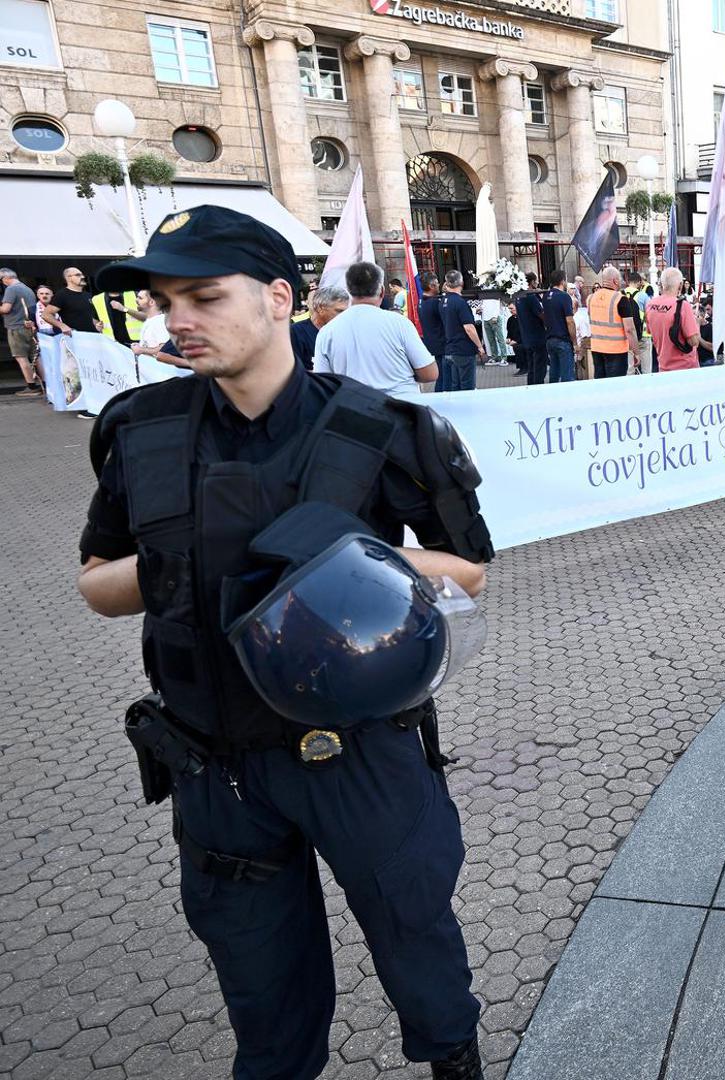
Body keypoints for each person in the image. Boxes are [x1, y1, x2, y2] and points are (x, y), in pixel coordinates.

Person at [78, 204, 493, 1080]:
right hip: (215, 764)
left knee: (418, 945)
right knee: (264, 998)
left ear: (278, 296)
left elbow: (470, 569)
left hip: (360, 755)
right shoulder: (140, 431)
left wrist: (353, 564)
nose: (177, 320)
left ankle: (454, 1059)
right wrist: (178, 564)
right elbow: (94, 583)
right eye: (163, 302)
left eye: (202, 296)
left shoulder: (385, 428)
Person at [313, 261, 438, 400]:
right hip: (402, 408)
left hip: (353, 410)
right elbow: (430, 373)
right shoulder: (400, 323)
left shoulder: (327, 332)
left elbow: (323, 385)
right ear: (382, 291)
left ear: (348, 291)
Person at [644, 268, 704, 372]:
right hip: (685, 367)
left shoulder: (651, 305)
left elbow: (650, 331)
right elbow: (694, 342)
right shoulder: (682, 306)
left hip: (663, 365)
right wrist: (696, 323)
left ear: (662, 284)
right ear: (680, 285)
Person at [437, 270, 487, 391]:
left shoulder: (443, 301)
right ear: (461, 283)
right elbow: (469, 328)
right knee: (467, 387)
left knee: (455, 386)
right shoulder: (460, 303)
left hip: (449, 349)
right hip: (463, 349)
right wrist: (480, 347)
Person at [586, 267, 640, 378]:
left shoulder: (591, 298)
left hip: (597, 349)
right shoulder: (621, 299)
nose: (621, 282)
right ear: (615, 281)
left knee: (600, 382)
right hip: (616, 351)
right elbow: (629, 329)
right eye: (619, 279)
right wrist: (636, 352)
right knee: (615, 386)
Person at [1, 267, 42, 396]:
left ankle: (31, 387)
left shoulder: (11, 289)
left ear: (7, 278)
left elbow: (6, 309)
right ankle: (44, 385)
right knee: (36, 357)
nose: (2, 282)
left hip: (16, 327)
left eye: (1, 279)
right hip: (29, 327)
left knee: (21, 358)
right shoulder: (27, 288)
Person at [290, 285, 348, 371]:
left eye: (346, 311)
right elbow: (292, 371)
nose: (344, 316)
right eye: (339, 311)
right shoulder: (296, 332)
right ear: (321, 308)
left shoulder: (346, 333)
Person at [538, 269, 577, 383]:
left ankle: (553, 396)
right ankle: (567, 398)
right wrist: (574, 342)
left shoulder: (545, 296)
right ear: (562, 281)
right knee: (567, 375)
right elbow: (570, 321)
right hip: (563, 339)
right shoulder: (564, 297)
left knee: (554, 372)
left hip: (550, 339)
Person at [512, 273, 548, 384]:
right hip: (537, 337)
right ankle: (538, 388)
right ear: (532, 282)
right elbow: (541, 314)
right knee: (539, 367)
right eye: (536, 281)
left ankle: (531, 386)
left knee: (531, 366)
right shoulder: (530, 296)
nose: (537, 283)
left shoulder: (519, 296)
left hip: (526, 337)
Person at [49, 266, 102, 333]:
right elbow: (46, 315)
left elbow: (91, 315)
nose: (83, 277)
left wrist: (98, 325)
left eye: (82, 274)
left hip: (94, 336)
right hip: (76, 337)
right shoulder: (62, 295)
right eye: (78, 275)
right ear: (68, 278)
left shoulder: (88, 295)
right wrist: (62, 326)